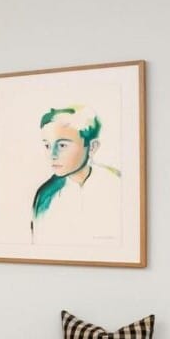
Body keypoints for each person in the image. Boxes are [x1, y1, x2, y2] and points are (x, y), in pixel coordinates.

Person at [31, 104, 121, 243]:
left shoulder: (116, 184)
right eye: (47, 145)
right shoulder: (45, 194)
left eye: (62, 145)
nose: (52, 155)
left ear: (92, 147)